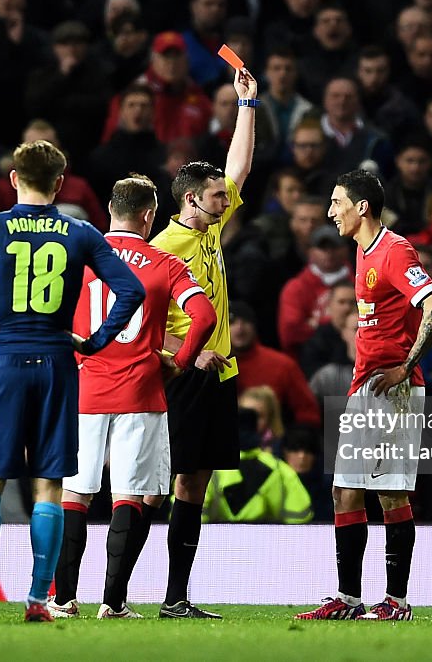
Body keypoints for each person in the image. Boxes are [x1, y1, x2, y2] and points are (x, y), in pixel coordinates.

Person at [0, 140, 144, 623]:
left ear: (14, 180)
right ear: (60, 183)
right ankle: (39, 601)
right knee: (48, 486)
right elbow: (131, 289)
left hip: (3, 363)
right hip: (58, 364)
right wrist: (92, 341)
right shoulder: (79, 232)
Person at [50, 174, 215, 620]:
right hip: (141, 391)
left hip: (86, 389)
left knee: (75, 495)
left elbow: (53, 317)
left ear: (110, 210)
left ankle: (63, 599)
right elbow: (204, 317)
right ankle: (113, 602)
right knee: (130, 494)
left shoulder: (79, 260)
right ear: (148, 215)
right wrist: (179, 360)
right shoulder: (165, 263)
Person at [296, 169, 432, 621]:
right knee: (345, 491)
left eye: (337, 202)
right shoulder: (364, 253)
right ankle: (348, 599)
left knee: (390, 496)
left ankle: (397, 602)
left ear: (362, 207)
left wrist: (407, 365)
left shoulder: (394, 251)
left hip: (391, 389)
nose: (330, 211)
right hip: (366, 386)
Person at [147, 67, 257, 620]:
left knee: (197, 482)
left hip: (220, 374)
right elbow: (143, 321)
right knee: (171, 481)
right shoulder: (164, 246)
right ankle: (122, 590)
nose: (227, 199)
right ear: (192, 199)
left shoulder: (207, 230)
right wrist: (183, 348)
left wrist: (248, 105)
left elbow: (239, 165)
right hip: (185, 374)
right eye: (217, 196)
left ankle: (177, 596)